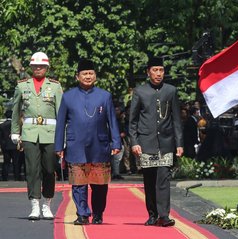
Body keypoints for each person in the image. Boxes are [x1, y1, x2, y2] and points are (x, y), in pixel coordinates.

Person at [54, 59, 121, 225]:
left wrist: (116, 142)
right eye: (84, 74)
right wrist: (58, 146)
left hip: (100, 145)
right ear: (77, 76)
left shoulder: (105, 96)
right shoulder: (68, 97)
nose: (88, 76)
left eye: (91, 73)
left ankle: (98, 213)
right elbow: (61, 122)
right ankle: (82, 214)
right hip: (75, 145)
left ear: (95, 76)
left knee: (100, 184)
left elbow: (112, 121)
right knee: (78, 183)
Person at [129, 56, 183, 227]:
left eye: (161, 70)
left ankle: (164, 215)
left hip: (166, 142)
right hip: (146, 142)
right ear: (148, 72)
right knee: (150, 180)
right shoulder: (140, 91)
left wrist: (179, 143)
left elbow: (176, 119)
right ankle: (152, 214)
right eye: (155, 70)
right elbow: (132, 121)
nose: (158, 74)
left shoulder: (171, 91)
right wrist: (134, 142)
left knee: (163, 179)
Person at [11, 52, 63, 220]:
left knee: (49, 169)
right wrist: (15, 131)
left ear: (47, 68)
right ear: (31, 67)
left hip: (50, 134)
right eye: (35, 66)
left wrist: (63, 137)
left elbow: (61, 114)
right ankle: (34, 203)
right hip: (29, 133)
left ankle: (47, 203)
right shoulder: (22, 86)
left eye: (42, 66)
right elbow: (16, 111)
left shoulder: (55, 86)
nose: (38, 68)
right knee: (32, 170)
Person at [1, 110, 22, 181]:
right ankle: (17, 177)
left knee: (6, 162)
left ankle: (4, 177)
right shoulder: (16, 125)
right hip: (14, 145)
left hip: (5, 146)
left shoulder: (2, 125)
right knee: (16, 162)